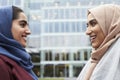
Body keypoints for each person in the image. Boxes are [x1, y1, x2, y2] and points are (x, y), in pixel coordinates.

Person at [77, 4, 120, 80]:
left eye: (93, 24)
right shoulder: (96, 56)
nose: (87, 32)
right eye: (87, 25)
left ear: (110, 23)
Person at [0, 5, 38, 80]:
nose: (29, 31)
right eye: (22, 25)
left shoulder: (19, 60)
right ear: (5, 26)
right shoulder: (1, 63)